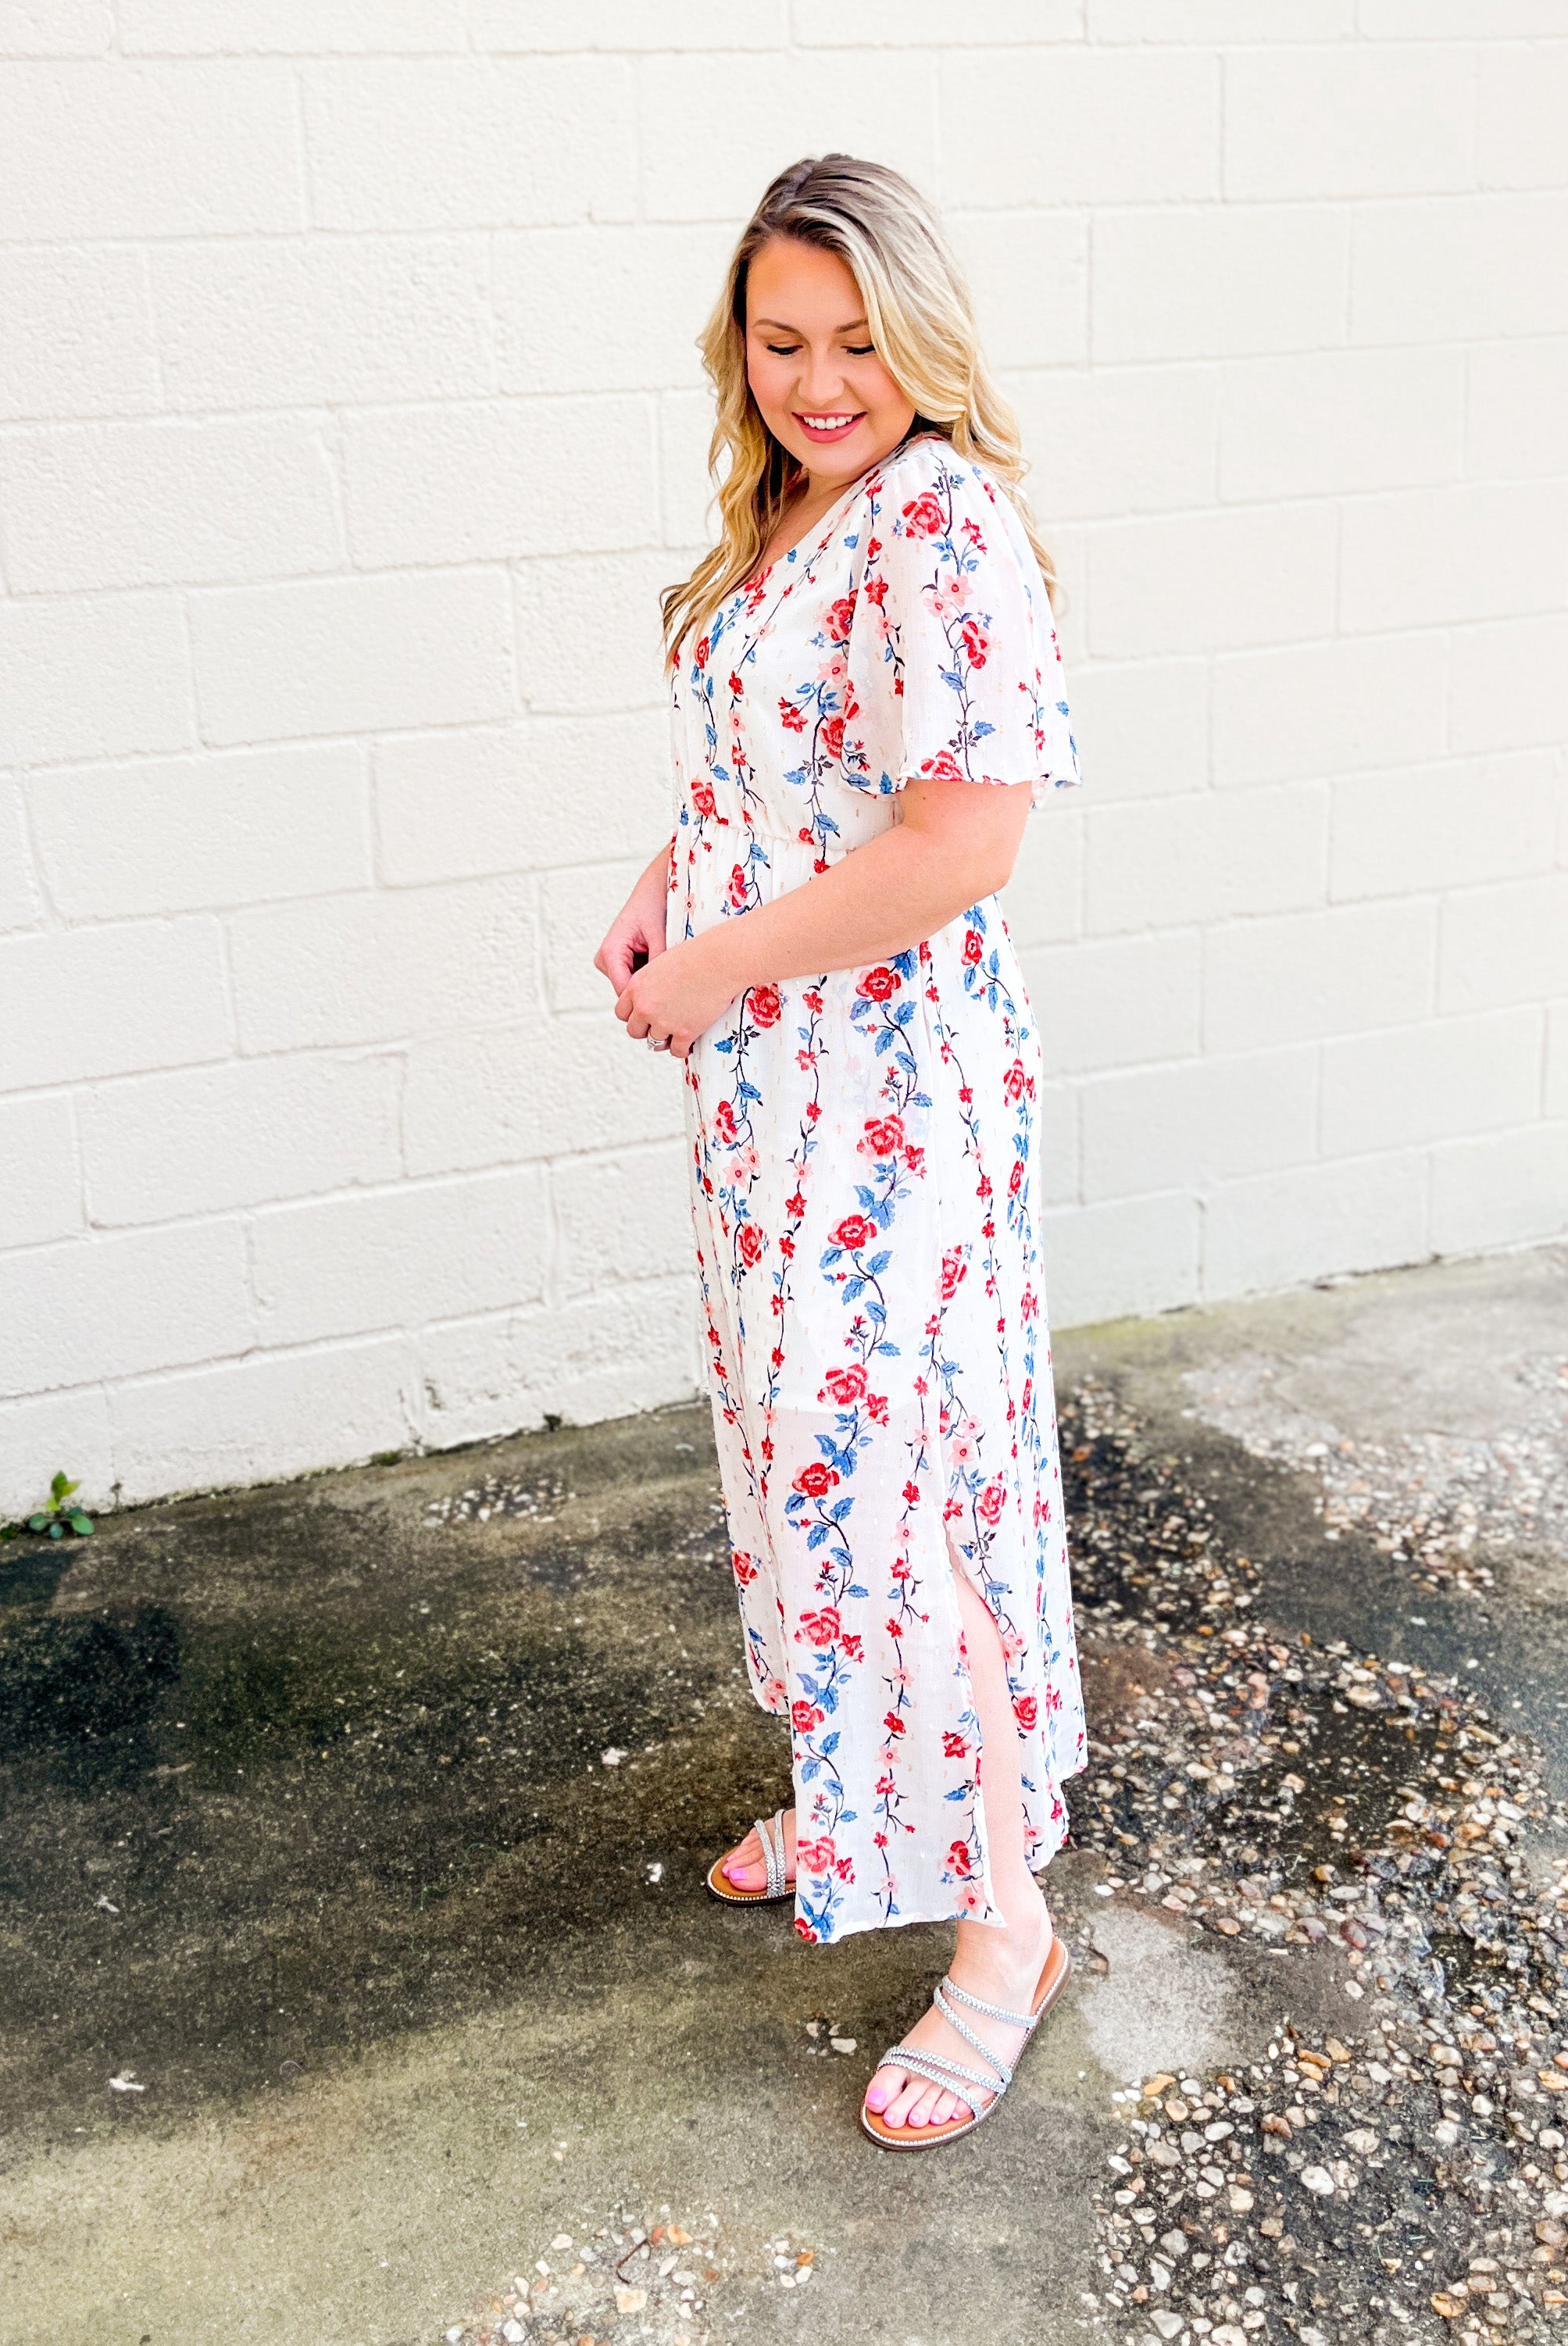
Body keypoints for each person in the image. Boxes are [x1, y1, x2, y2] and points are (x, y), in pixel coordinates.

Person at [594, 155, 1086, 2150]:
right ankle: (861, 1791)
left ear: (923, 336)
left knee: (908, 1503)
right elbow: (778, 775)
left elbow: (961, 838)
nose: (817, 378)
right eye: (780, 341)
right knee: (805, 1471)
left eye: (857, 340)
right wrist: (659, 888)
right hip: (770, 1090)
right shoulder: (798, 508)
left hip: (885, 1097)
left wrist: (711, 958)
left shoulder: (943, 521)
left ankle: (1004, 1930)